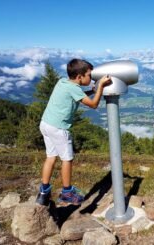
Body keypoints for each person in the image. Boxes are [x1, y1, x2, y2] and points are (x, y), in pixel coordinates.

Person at [36, 58, 111, 206]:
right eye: (89, 75)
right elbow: (94, 104)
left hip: (46, 124)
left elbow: (77, 95)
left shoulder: (63, 82)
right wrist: (101, 86)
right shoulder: (74, 89)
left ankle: (43, 192)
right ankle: (67, 192)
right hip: (58, 128)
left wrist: (92, 90)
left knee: (51, 157)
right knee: (67, 159)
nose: (91, 78)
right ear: (79, 77)